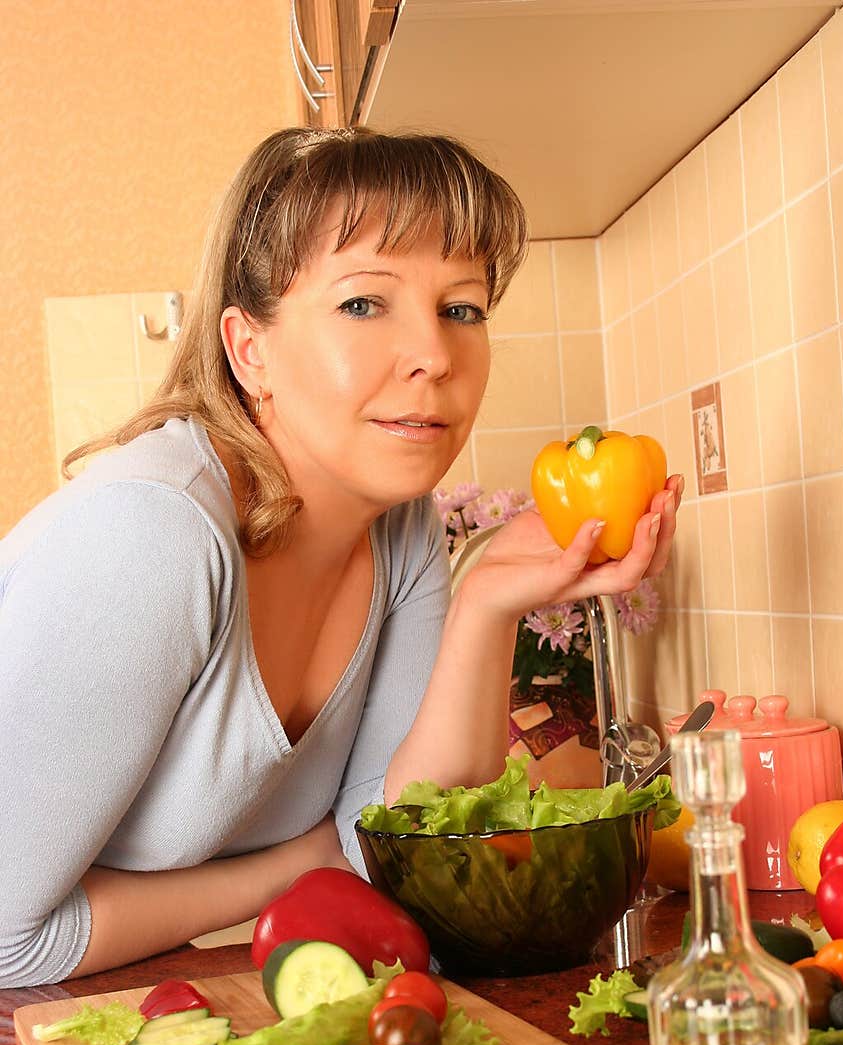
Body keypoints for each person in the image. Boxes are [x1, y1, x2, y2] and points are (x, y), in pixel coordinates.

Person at [0, 126, 680, 989]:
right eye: (364, 303)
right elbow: (5, 934)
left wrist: (486, 604)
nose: (435, 355)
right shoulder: (151, 535)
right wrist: (303, 861)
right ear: (250, 350)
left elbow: (397, 839)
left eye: (461, 308)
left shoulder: (400, 528)